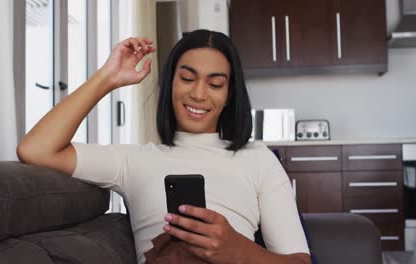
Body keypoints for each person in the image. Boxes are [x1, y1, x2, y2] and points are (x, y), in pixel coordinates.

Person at [17, 29, 311, 264]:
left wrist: (238, 252)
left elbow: (298, 260)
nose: (198, 94)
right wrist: (107, 78)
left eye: (215, 84)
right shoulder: (132, 160)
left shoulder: (257, 158)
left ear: (229, 94)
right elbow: (36, 149)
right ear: (171, 82)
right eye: (187, 78)